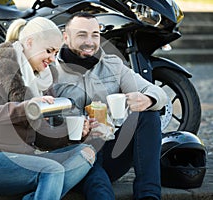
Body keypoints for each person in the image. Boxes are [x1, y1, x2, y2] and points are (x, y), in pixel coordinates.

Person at [0, 16, 96, 200]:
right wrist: (27, 108)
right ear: (30, 42)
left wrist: (73, 133)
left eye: (56, 53)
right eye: (49, 51)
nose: (52, 59)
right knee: (53, 171)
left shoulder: (44, 82)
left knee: (86, 154)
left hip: (25, 161)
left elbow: (43, 139)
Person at [49, 12, 168, 200]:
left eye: (95, 35)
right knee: (99, 187)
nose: (90, 41)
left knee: (148, 115)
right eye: (82, 35)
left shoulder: (113, 65)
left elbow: (158, 93)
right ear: (66, 36)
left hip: (111, 152)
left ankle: (149, 195)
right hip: (73, 155)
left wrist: (149, 99)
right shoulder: (50, 71)